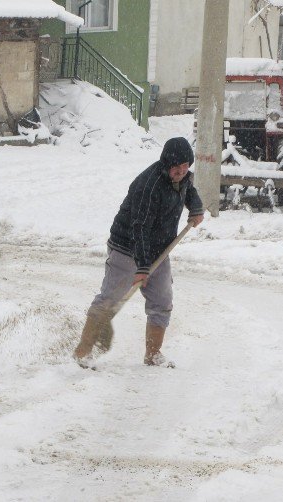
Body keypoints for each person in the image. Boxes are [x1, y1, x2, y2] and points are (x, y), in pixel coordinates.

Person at [73, 137, 204, 368]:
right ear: (166, 164)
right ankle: (83, 352)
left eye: (186, 167)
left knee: (162, 301)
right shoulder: (148, 186)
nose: (182, 172)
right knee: (110, 300)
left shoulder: (182, 178)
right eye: (177, 167)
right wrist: (142, 267)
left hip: (159, 250)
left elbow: (189, 189)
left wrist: (195, 207)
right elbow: (140, 227)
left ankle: (153, 354)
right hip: (127, 248)